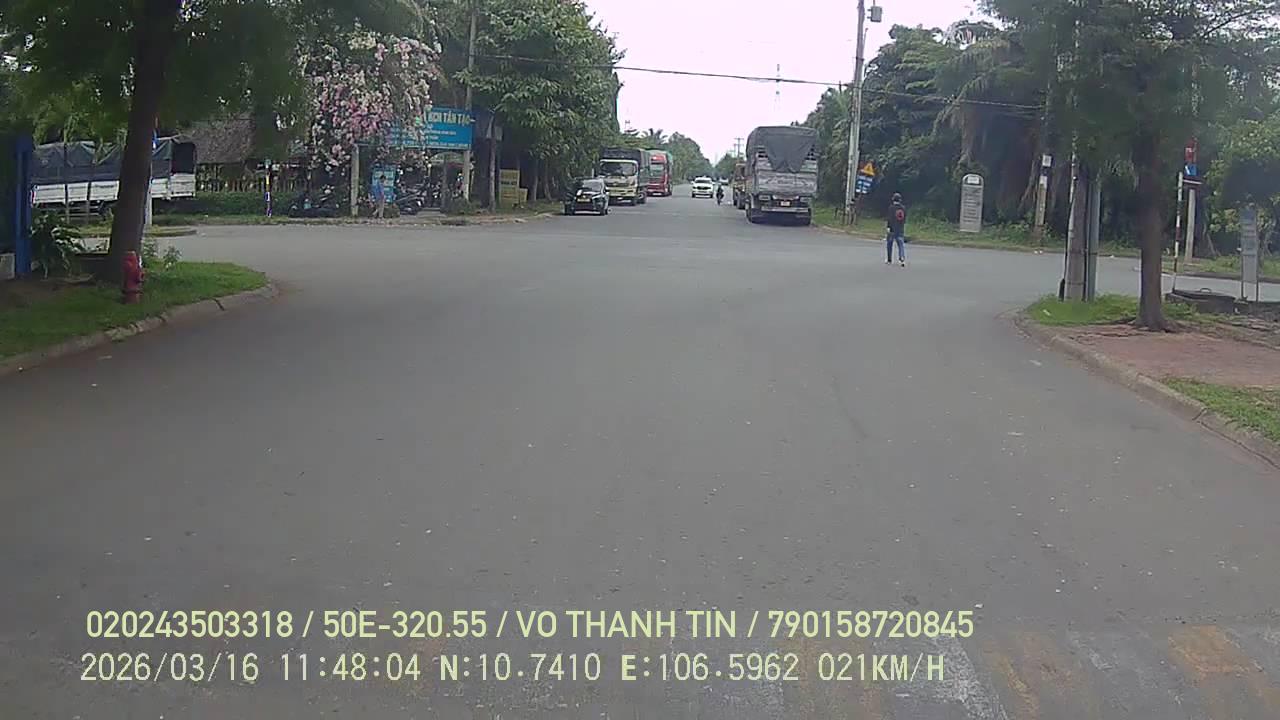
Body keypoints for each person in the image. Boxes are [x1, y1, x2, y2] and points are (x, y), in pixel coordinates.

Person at [886, 192, 907, 266]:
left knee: (889, 244)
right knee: (901, 245)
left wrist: (888, 227)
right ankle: (902, 259)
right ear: (900, 200)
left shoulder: (891, 208)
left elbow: (889, 219)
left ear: (893, 199)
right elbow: (904, 219)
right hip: (900, 229)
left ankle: (889, 260)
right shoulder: (903, 208)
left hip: (892, 229)